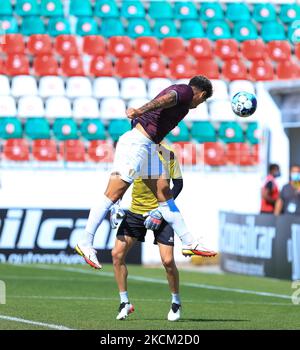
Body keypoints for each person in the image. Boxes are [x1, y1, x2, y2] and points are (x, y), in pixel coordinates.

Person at [75, 75, 216, 269]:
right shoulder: (185, 92)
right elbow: (166, 99)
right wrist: (140, 110)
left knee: (165, 195)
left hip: (147, 146)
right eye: (202, 101)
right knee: (113, 194)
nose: (199, 104)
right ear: (201, 94)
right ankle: (85, 241)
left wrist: (141, 117)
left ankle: (189, 242)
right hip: (137, 145)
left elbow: (157, 110)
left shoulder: (181, 94)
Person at [111, 143, 183, 321]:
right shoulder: (135, 150)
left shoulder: (168, 153)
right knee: (116, 254)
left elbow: (179, 184)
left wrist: (162, 208)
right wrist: (115, 204)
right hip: (136, 212)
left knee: (167, 261)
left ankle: (176, 302)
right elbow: (121, 179)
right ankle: (124, 302)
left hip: (162, 212)